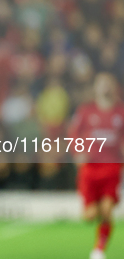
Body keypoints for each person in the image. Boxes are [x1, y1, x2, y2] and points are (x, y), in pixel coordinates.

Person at [68, 72, 124, 259]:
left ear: (115, 86)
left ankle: (99, 249)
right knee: (90, 216)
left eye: (109, 83)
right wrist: (78, 152)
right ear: (96, 87)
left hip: (112, 167)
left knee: (107, 209)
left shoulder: (121, 112)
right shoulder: (86, 111)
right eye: (102, 83)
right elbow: (73, 134)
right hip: (90, 169)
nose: (106, 87)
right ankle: (99, 217)